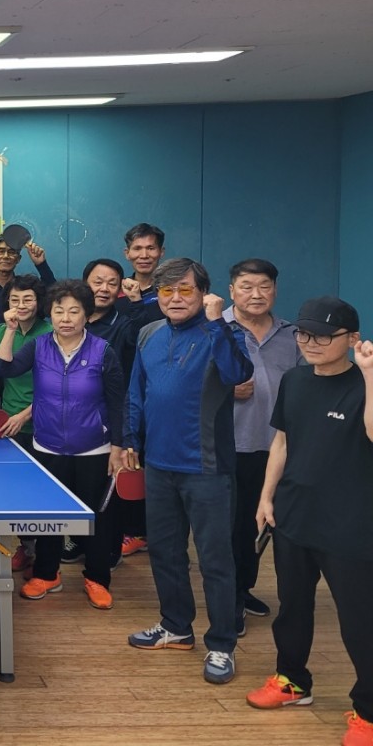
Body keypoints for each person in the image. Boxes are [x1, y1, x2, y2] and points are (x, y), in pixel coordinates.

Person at [247, 298, 373, 746]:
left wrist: (370, 374)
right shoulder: (295, 380)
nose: (310, 342)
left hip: (350, 522)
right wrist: (266, 496)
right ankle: (292, 681)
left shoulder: (364, 382)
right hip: (294, 514)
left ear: (352, 338)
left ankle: (368, 711)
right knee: (293, 606)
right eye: (304, 333)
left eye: (322, 335)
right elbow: (281, 442)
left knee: (359, 619)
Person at [122, 258, 252, 685]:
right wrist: (130, 439)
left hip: (207, 468)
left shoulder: (223, 331)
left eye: (185, 290)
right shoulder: (148, 334)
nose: (175, 299)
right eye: (166, 291)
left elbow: (238, 373)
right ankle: (176, 627)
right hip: (158, 466)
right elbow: (136, 392)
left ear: (204, 294)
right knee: (164, 551)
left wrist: (217, 323)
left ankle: (222, 645)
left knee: (215, 560)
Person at [0, 280, 125, 609]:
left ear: (86, 315)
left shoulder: (102, 351)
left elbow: (118, 402)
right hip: (48, 444)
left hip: (94, 447)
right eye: (59, 311)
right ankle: (47, 574)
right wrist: (9, 330)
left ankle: (97, 578)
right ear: (50, 314)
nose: (66, 318)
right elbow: (3, 367)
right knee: (49, 515)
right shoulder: (39, 346)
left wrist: (118, 447)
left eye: (74, 311)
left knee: (96, 517)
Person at [222, 259, 299, 630]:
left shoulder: (293, 335)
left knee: (259, 526)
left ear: (275, 290)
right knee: (231, 528)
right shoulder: (215, 328)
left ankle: (245, 587)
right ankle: (230, 599)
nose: (256, 294)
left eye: (264, 286)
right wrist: (227, 389)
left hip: (276, 449)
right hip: (229, 447)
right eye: (247, 286)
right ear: (232, 290)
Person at [79, 257, 142, 565]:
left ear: (119, 289)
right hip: (76, 422)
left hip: (111, 420)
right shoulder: (72, 322)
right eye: (97, 281)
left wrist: (136, 303)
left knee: (108, 492)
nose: (104, 288)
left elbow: (143, 337)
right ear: (85, 285)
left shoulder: (126, 324)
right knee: (80, 488)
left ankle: (107, 552)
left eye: (111, 283)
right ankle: (77, 543)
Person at [0, 274, 52, 450]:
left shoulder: (51, 334)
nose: (21, 305)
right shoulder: (2, 330)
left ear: (39, 302)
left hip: (43, 422)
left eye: (28, 299)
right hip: (10, 421)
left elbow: (55, 389)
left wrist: (24, 416)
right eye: (15, 300)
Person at [120, 223, 166, 327]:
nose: (144, 255)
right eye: (137, 248)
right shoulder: (117, 290)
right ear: (127, 253)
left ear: (161, 252)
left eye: (150, 248)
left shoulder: (171, 291)